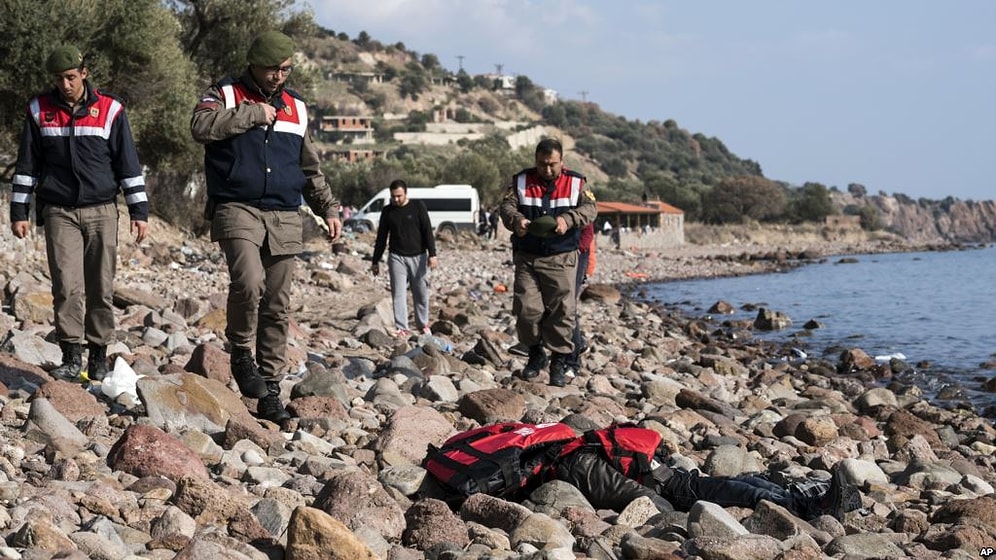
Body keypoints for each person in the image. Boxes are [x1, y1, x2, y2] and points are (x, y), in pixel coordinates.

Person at [190, 30, 342, 424]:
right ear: (254, 65)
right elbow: (200, 127)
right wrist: (252, 114)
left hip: (285, 214)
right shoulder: (224, 93)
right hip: (236, 207)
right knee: (249, 281)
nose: (279, 76)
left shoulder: (297, 107)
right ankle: (241, 352)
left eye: (286, 69)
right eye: (272, 69)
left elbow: (309, 168)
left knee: (277, 303)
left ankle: (270, 390)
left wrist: (328, 208)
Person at [9, 45, 149, 383]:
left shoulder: (111, 109)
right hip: (59, 211)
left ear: (84, 73)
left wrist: (139, 210)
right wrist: (19, 211)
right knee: (66, 285)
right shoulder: (38, 110)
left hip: (102, 210)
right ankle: (71, 358)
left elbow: (127, 164)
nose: (65, 84)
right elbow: (27, 165)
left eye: (71, 77)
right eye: (59, 78)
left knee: (101, 286)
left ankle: (98, 355)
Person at [499, 138, 597, 387]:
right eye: (542, 164)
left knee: (562, 312)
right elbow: (506, 207)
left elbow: (591, 210)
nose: (547, 169)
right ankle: (535, 354)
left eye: (552, 164)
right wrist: (517, 220)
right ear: (536, 161)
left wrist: (568, 219)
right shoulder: (521, 181)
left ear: (561, 161)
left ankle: (559, 362)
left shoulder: (576, 182)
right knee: (526, 309)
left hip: (561, 257)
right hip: (528, 257)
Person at [554, 444, 862, 521]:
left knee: (756, 482)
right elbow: (629, 492)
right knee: (745, 492)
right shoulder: (576, 463)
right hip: (674, 491)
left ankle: (827, 502)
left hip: (677, 480)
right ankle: (810, 508)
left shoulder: (579, 454)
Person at [370, 179, 438, 337]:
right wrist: (375, 261)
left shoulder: (418, 206)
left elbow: (427, 230)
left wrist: (432, 254)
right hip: (396, 257)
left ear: (406, 193)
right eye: (393, 196)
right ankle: (402, 328)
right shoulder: (387, 211)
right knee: (398, 293)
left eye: (399, 196)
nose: (396, 199)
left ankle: (422, 324)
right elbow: (381, 238)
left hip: (418, 256)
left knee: (420, 292)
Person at [565, 223, 596, 372]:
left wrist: (587, 265)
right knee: (564, 305)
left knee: (568, 306)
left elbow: (588, 233)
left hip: (576, 254)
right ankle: (578, 345)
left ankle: (572, 360)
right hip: (560, 254)